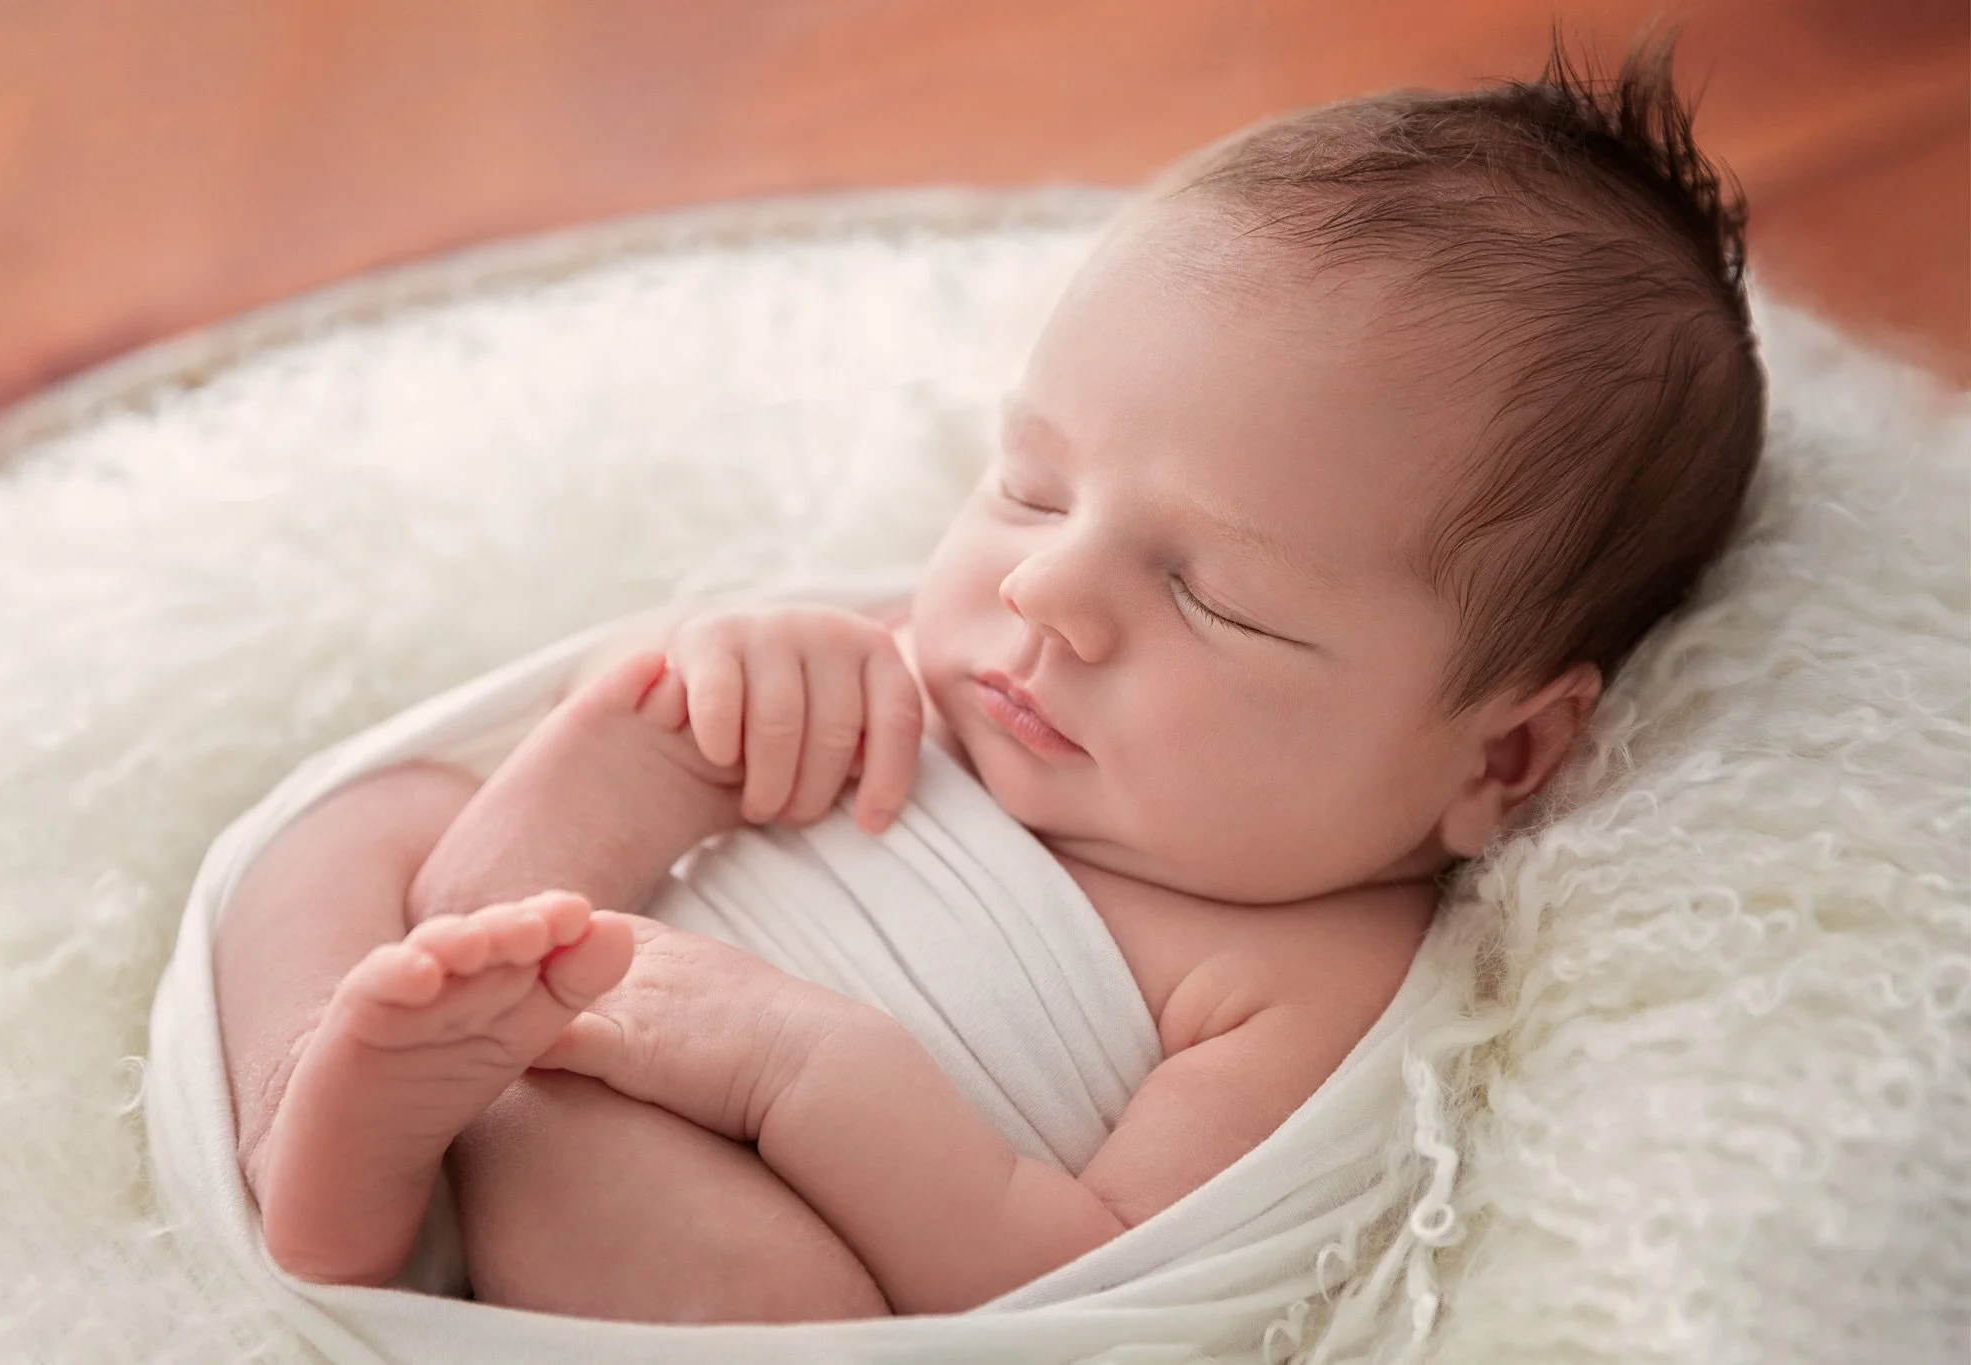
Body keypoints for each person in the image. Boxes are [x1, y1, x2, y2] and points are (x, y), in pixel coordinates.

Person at [212, 33, 1764, 1323]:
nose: (1043, 591)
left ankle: (394, 1154)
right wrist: (684, 712)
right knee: (357, 824)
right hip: (514, 1005)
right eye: (1028, 485)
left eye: (1212, 595)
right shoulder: (938, 670)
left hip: (665, 1209)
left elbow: (1076, 1285)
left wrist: (789, 1066)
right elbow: (637, 796)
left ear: (1501, 757)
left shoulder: (1304, 977)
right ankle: (329, 1126)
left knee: (689, 1235)